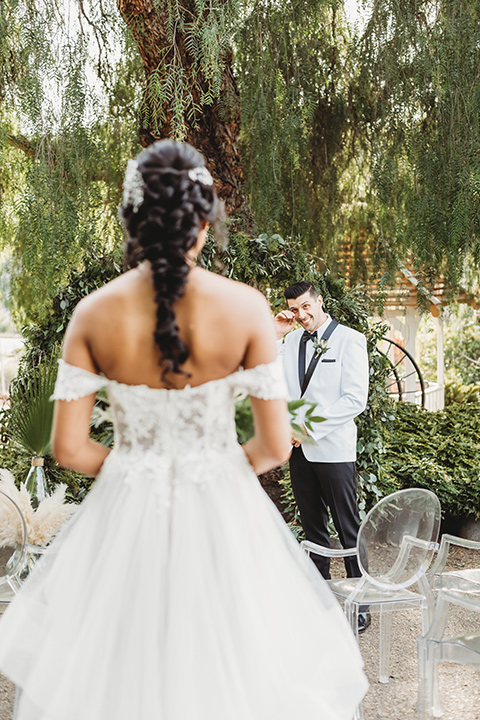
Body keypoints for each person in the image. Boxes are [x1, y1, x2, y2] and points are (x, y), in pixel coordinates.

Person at [0, 141, 367, 720]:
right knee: (235, 670)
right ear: (205, 219)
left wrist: (138, 466)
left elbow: (69, 448)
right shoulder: (246, 308)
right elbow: (274, 446)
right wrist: (210, 465)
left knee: (120, 668)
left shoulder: (93, 313)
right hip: (222, 512)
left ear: (133, 220)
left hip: (127, 515)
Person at [275, 281, 370, 632]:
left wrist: (307, 430)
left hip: (333, 450)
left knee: (348, 530)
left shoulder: (349, 339)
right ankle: (320, 599)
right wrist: (274, 333)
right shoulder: (288, 341)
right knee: (313, 528)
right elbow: (271, 380)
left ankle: (359, 603)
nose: (301, 315)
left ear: (319, 302)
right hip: (297, 452)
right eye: (294, 309)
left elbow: (354, 399)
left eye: (305, 307)